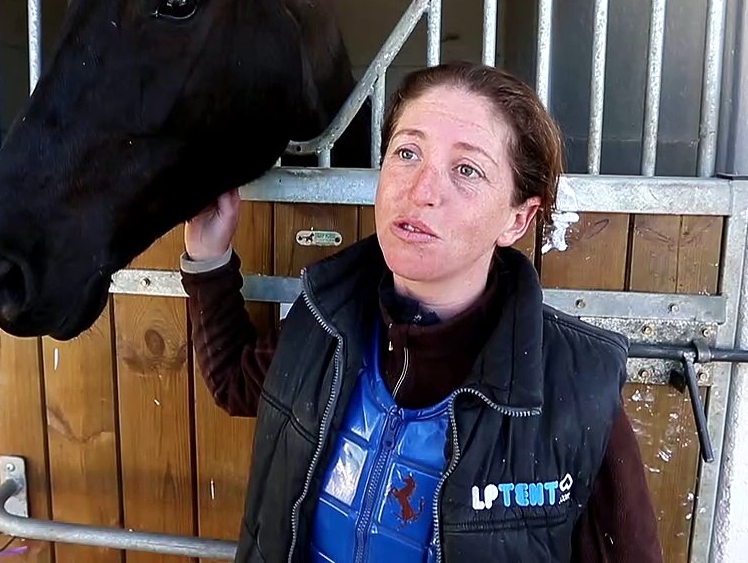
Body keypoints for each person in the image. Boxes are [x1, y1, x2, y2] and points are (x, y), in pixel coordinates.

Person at [180, 62, 662, 562]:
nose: (422, 191)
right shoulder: (325, 319)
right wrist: (207, 255)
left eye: (467, 170)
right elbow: (236, 382)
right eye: (407, 153)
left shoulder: (577, 389)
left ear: (518, 219)